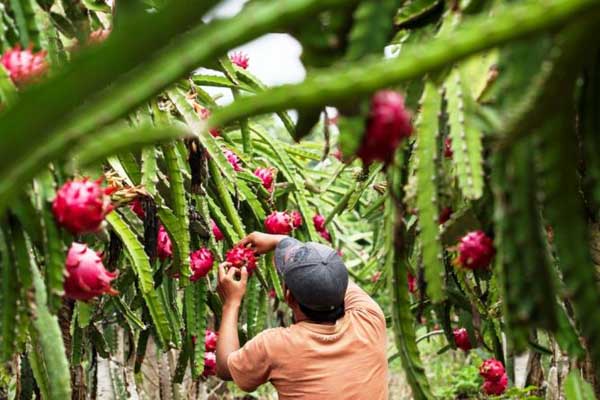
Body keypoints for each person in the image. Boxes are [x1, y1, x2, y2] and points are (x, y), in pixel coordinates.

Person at [215, 232, 388, 399]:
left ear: (288, 296)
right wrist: (282, 241)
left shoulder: (276, 346)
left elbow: (225, 368)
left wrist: (231, 302)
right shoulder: (370, 317)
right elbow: (328, 277)